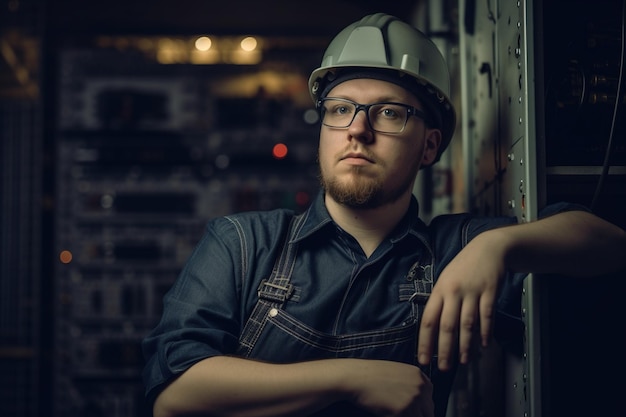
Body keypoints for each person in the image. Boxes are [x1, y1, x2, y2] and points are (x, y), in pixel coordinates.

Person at [141, 13, 626, 417]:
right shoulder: (243, 243)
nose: (358, 130)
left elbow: (608, 244)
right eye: (341, 109)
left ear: (429, 145)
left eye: (390, 113)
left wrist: (499, 245)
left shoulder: (451, 250)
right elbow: (173, 392)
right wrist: (354, 379)